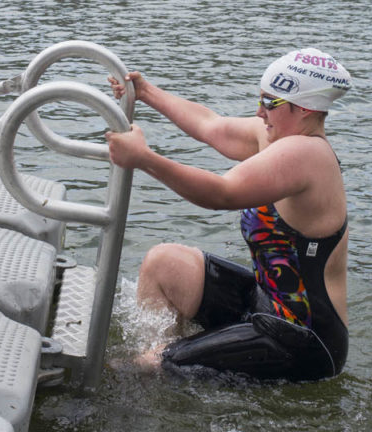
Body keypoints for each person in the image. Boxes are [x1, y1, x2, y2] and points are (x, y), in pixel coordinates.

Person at [105, 48, 352, 382]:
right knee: (164, 264)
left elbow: (222, 193)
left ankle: (154, 368)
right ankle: (167, 363)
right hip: (264, 303)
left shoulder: (307, 154)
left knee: (147, 365)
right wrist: (148, 93)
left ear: (305, 109)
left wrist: (145, 159)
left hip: (303, 340)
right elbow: (212, 126)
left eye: (269, 102)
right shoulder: (279, 137)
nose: (259, 112)